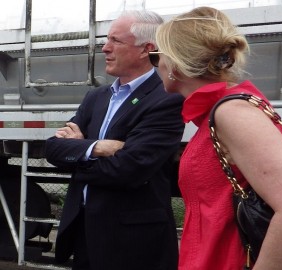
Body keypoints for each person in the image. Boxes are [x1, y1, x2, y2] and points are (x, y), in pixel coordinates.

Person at [149, 6, 282, 270]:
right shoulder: (222, 111)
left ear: (174, 62)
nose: (156, 64)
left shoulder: (231, 113)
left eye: (155, 56)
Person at [45, 10, 185, 270]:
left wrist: (78, 152)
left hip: (133, 242)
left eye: (115, 41)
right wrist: (96, 147)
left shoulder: (167, 98)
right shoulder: (96, 97)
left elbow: (128, 169)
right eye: (105, 41)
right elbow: (52, 148)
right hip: (84, 233)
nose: (105, 49)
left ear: (147, 49)